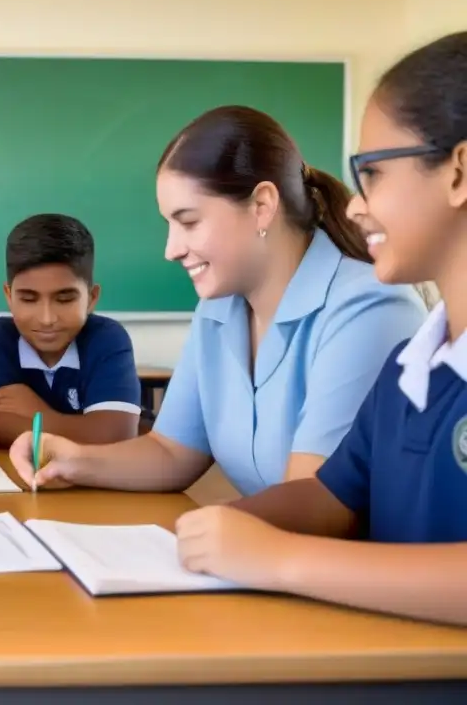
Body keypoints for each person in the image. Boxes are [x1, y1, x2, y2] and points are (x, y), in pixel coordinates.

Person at [173, 32, 467, 627]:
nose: (355, 206)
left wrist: (280, 558)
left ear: (460, 172)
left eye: (374, 175)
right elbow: (332, 497)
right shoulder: (410, 371)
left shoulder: (374, 317)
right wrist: (221, 526)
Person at [8, 105, 427, 495]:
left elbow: (313, 500)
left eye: (188, 221)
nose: (171, 249)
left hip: (340, 569)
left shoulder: (369, 308)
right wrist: (73, 460)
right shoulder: (218, 310)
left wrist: (208, 533)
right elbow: (171, 453)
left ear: (262, 206)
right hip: (265, 561)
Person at [0, 213, 141, 448]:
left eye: (64, 299)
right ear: (9, 296)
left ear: (91, 298)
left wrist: (38, 414)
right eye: (29, 299)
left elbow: (116, 436)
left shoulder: (107, 338)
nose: (47, 319)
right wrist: (88, 427)